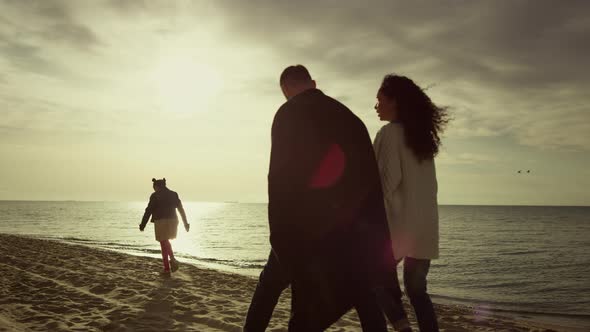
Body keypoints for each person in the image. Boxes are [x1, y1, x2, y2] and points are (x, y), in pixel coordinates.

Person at [244, 65, 409, 331]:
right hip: (352, 232)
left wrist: (280, 238)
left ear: (285, 89)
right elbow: (370, 183)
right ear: (313, 82)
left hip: (304, 232)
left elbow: (280, 178)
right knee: (363, 292)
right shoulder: (351, 118)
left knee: (271, 285)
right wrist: (377, 243)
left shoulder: (288, 112)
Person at [373, 74, 449, 332]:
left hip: (397, 225)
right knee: (417, 292)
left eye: (379, 100)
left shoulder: (389, 133)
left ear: (394, 102)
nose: (376, 106)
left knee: (372, 277)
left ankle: (402, 327)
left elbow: (386, 181)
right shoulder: (422, 139)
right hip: (425, 224)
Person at [139, 178, 190, 275]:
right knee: (166, 241)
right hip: (173, 220)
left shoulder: (155, 196)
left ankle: (168, 266)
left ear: (157, 186)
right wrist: (185, 223)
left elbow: (148, 210)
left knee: (163, 243)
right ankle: (170, 263)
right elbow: (181, 209)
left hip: (161, 220)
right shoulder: (174, 194)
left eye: (154, 187)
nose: (154, 189)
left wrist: (143, 224)